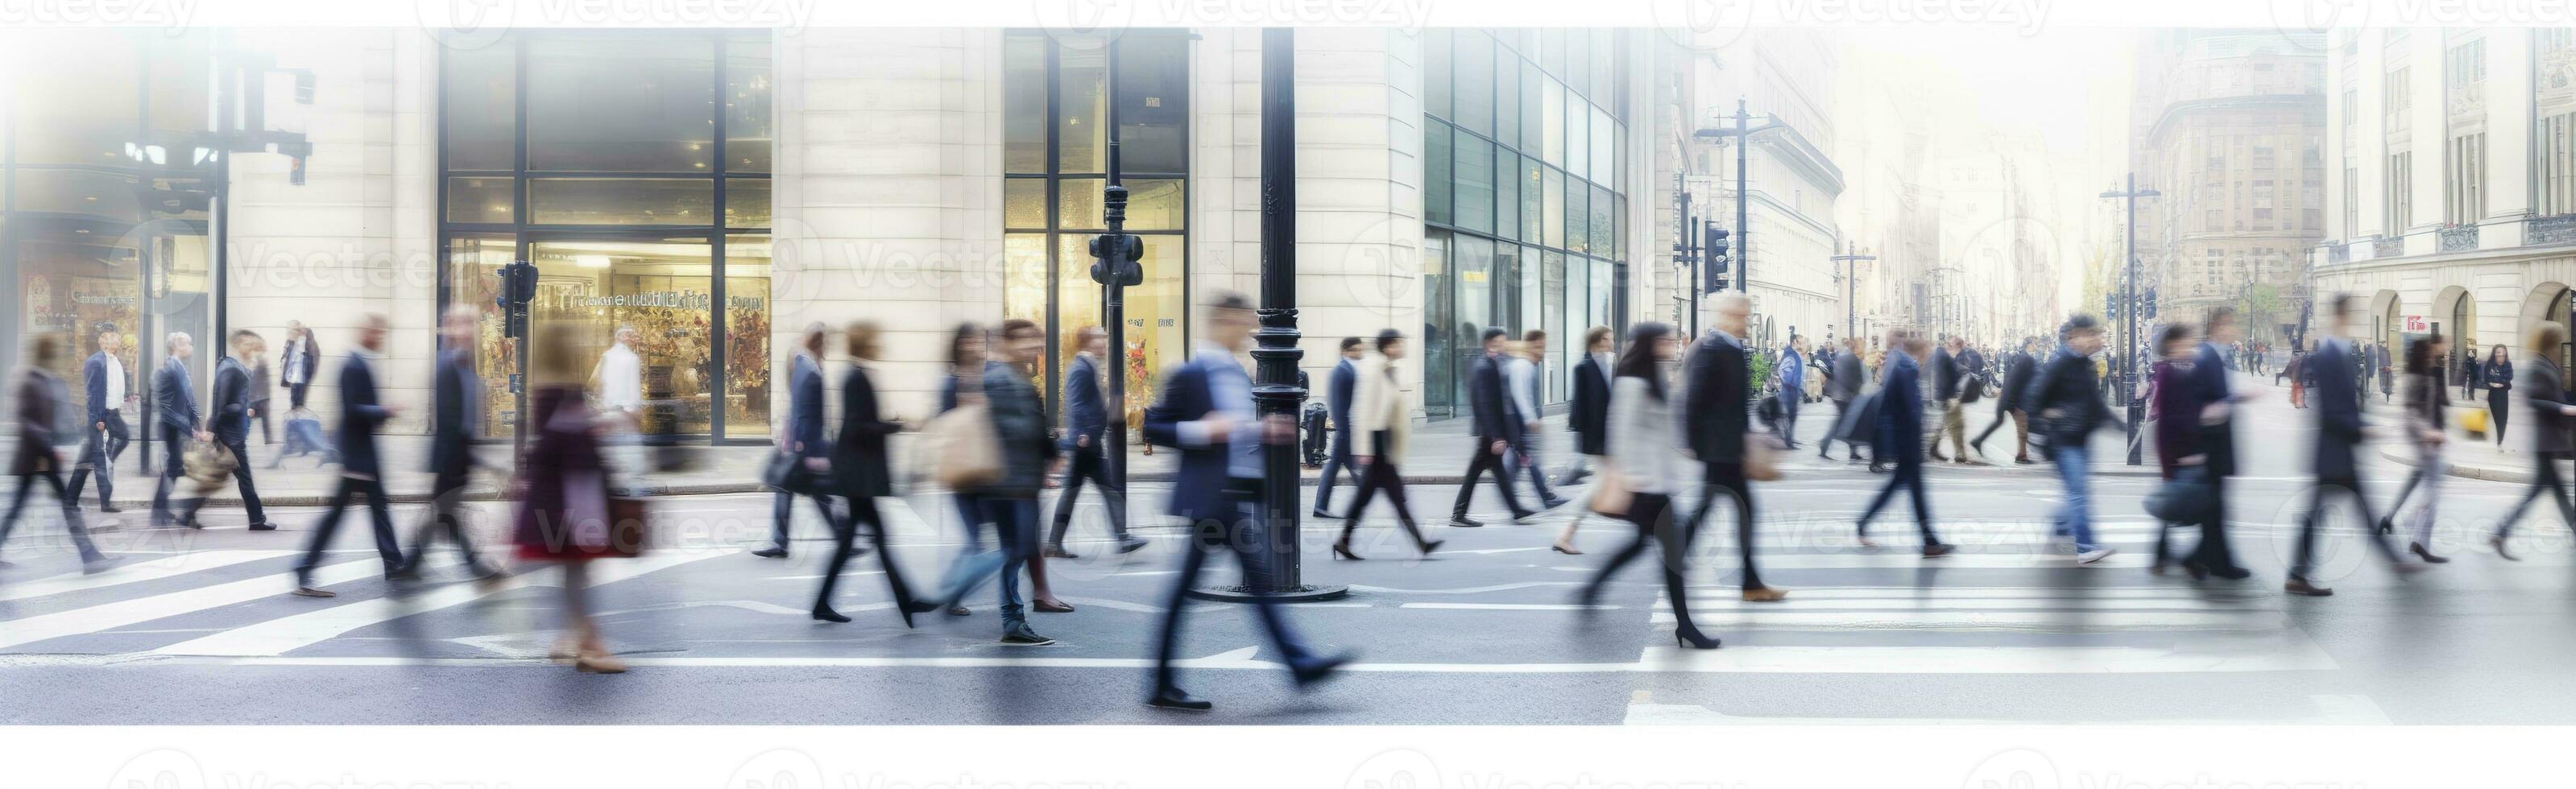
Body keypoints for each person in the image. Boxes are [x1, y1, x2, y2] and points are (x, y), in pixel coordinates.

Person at [1143, 292, 1352, 711]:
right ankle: (1296, 665)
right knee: (1224, 589)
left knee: (1249, 587)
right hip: (1208, 500)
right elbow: (1156, 425)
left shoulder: (1238, 374)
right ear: (1222, 320)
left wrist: (1261, 431)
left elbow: (1235, 433)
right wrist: (1203, 430)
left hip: (1232, 496)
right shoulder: (1192, 372)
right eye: (1241, 320)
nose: (1248, 329)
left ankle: (1296, 665)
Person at [1577, 322, 1722, 649]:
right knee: (1672, 556)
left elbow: (1667, 428)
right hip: (1642, 484)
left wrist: (1685, 450)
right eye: (1664, 342)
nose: (1670, 347)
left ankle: (1593, 586)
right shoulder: (1630, 382)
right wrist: (1630, 478)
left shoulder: (1656, 377)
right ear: (1648, 344)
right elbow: (1620, 434)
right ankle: (1685, 625)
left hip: (1660, 483)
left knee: (1645, 547)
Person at [934, 319, 1065, 644]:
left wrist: (1049, 451)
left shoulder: (1015, 378)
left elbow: (1031, 426)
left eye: (1036, 340)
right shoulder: (999, 379)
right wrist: (1046, 447)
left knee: (1015, 551)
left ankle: (1011, 619)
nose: (1033, 347)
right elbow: (1007, 430)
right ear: (1006, 342)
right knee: (1014, 550)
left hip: (1021, 482)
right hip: (1010, 484)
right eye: (1025, 340)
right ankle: (961, 592)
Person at [511, 320, 630, 673]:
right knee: (577, 569)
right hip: (573, 498)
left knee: (572, 570)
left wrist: (589, 424)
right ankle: (590, 645)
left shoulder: (546, 390)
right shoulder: (564, 391)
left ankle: (568, 637)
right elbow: (560, 444)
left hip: (558, 495)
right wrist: (591, 428)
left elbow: (551, 440)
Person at [2284, 296, 2421, 596]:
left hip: (2337, 452)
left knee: (2346, 512)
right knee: (2343, 512)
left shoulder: (2341, 355)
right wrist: (2362, 430)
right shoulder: (2328, 357)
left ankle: (2298, 574)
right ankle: (2298, 575)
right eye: (2349, 317)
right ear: (2339, 318)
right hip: (2334, 451)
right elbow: (2332, 410)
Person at [814, 321, 940, 626]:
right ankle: (905, 602)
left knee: (858, 542)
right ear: (865, 344)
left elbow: (858, 423)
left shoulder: (855, 375)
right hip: (858, 476)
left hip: (858, 475)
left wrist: (887, 423)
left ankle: (827, 604)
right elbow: (858, 427)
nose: (880, 344)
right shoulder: (855, 378)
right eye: (876, 340)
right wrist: (898, 425)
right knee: (877, 539)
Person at [288, 316, 407, 597]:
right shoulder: (353, 365)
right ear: (364, 332)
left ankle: (394, 563)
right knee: (338, 515)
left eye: (382, 332)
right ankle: (305, 567)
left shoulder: (361, 362)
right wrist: (385, 411)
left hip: (363, 455)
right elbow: (352, 409)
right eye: (376, 331)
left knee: (378, 510)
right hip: (357, 456)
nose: (380, 337)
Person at [1685, 294, 1784, 601]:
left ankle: (1750, 583)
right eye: (1743, 315)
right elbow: (1694, 399)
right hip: (1719, 450)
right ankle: (1750, 584)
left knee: (1721, 511)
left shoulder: (1731, 348)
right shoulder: (1714, 349)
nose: (1747, 321)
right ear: (1727, 316)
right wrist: (1694, 443)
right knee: (1733, 512)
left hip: (1729, 449)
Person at [1, 334, 124, 573]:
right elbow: (26, 422)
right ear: (47, 353)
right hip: (35, 457)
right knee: (62, 506)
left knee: (59, 506)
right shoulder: (29, 380)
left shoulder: (44, 379)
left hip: (42, 457)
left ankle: (90, 556)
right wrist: (49, 449)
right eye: (55, 352)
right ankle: (90, 557)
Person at [395, 308, 499, 581]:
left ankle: (413, 565)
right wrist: (466, 458)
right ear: (449, 327)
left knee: (444, 514)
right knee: (445, 513)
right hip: (452, 456)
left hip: (459, 455)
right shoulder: (447, 364)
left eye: (471, 323)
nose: (469, 329)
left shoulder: (463, 363)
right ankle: (473, 566)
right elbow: (450, 420)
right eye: (461, 323)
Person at [2024, 315, 2123, 565]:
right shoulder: (2060, 364)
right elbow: (2033, 400)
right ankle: (2086, 546)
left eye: (2097, 335)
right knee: (2078, 494)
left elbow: (2094, 402)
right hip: (2064, 441)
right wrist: (2055, 415)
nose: (2097, 339)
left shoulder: (2084, 364)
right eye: (2091, 334)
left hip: (2080, 437)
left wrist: (2115, 422)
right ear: (2074, 337)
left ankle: (2059, 528)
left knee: (2074, 492)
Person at [1334, 330, 1439, 559]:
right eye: (1400, 343)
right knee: (1395, 496)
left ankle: (1344, 541)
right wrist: (1363, 448)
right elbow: (1361, 409)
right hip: (1376, 442)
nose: (1403, 347)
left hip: (1385, 442)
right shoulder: (1373, 369)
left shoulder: (1389, 369)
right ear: (1389, 346)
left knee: (1369, 496)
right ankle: (1420, 542)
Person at [1854, 331, 1953, 556]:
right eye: (1928, 349)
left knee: (1903, 488)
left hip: (1902, 438)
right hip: (1907, 439)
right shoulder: (1907, 366)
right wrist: (1919, 436)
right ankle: (1930, 542)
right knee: (1914, 490)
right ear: (1920, 349)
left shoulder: (1897, 363)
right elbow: (1911, 408)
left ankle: (1927, 540)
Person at [1047, 325, 1142, 557]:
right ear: (1087, 342)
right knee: (1100, 490)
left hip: (1090, 441)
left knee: (1083, 491)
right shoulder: (1080, 368)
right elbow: (1075, 403)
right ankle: (1121, 537)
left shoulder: (1088, 365)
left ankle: (1056, 543)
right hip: (1085, 442)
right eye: (1100, 338)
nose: (1104, 342)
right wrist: (1082, 434)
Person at [2491, 322, 2576, 562]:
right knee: (2553, 493)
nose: (2561, 344)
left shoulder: (2545, 363)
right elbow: (2533, 400)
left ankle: (2500, 533)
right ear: (2549, 341)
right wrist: (2565, 409)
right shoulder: (2538, 365)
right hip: (2544, 440)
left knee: (2552, 492)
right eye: (2558, 340)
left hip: (2549, 440)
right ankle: (2500, 532)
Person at [178, 330, 277, 531]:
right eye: (248, 344)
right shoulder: (230, 369)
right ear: (238, 344)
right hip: (230, 436)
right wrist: (214, 429)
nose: (251, 348)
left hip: (230, 433)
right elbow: (221, 403)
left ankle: (188, 513)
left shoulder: (234, 367)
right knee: (243, 478)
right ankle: (257, 519)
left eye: (253, 344)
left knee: (216, 475)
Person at [2180, 309, 2251, 579]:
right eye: (2231, 324)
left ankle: (2202, 559)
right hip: (2212, 447)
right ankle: (2214, 563)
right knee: (2215, 509)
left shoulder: (2212, 355)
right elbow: (2207, 402)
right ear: (2219, 327)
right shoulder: (2208, 356)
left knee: (2214, 509)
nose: (2234, 330)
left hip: (2213, 446)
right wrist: (2236, 399)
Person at [754, 324, 833, 560]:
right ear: (818, 343)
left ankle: (782, 542)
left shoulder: (806, 367)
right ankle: (781, 541)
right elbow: (802, 413)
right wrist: (800, 446)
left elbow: (803, 411)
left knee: (802, 490)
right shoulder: (809, 370)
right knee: (792, 489)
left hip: (802, 444)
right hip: (803, 445)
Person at [2378, 332, 2454, 564]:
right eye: (2433, 350)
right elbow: (2412, 411)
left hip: (2426, 437)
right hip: (2423, 439)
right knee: (2434, 487)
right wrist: (2429, 433)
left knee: (2418, 481)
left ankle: (2390, 519)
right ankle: (2417, 536)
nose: (2438, 352)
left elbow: (2433, 404)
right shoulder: (2417, 376)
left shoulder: (2426, 372)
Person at [1451, 328, 1537, 527]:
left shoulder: (1496, 363)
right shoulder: (1484, 367)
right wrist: (1496, 436)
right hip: (1489, 434)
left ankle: (1515, 510)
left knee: (1496, 472)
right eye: (1499, 342)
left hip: (1494, 432)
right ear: (1489, 343)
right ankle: (1458, 515)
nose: (1503, 346)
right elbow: (1484, 404)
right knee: (1477, 473)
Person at [2147, 324, 2210, 575]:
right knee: (2189, 505)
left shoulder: (2178, 370)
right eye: (2186, 343)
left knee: (2176, 506)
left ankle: (2164, 558)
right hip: (2178, 451)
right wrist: (2180, 456)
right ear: (2173, 345)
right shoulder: (2169, 373)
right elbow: (2172, 419)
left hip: (2180, 449)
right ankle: (2185, 558)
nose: (2190, 349)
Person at [1557, 326, 1614, 554]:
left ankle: (1566, 534)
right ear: (1598, 341)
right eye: (1608, 339)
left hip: (1605, 439)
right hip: (1596, 440)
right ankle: (1565, 534)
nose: (1612, 342)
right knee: (1598, 485)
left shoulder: (1608, 364)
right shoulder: (1584, 367)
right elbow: (1581, 407)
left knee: (1602, 485)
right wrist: (1591, 443)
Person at [65, 326, 133, 513]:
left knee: (92, 456)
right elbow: (92, 394)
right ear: (102, 341)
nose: (117, 339)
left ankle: (71, 500)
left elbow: (114, 387)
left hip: (113, 414)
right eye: (113, 337)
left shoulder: (115, 360)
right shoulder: (95, 362)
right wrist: (97, 418)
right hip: (101, 415)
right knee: (97, 460)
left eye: (117, 336)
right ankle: (105, 502)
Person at [151, 332, 208, 529]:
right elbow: (165, 407)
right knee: (173, 468)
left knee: (174, 469)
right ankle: (160, 512)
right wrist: (189, 428)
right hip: (171, 427)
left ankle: (160, 510)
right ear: (178, 346)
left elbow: (189, 399)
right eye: (189, 344)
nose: (191, 347)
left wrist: (198, 422)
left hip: (178, 425)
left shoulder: (180, 367)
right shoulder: (170, 369)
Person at [1506, 331, 1566, 509]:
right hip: (1521, 424)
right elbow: (1521, 395)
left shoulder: (1527, 365)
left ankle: (1543, 496)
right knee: (1528, 461)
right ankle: (1544, 497)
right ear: (1531, 346)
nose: (1543, 351)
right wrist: (1530, 419)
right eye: (1540, 346)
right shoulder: (1522, 366)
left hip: (1521, 424)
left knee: (1523, 462)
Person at [1311, 337, 1367, 519]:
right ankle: (1366, 499)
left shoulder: (1350, 369)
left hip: (1347, 429)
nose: (1360, 353)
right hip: (1344, 430)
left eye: (1360, 349)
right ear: (1345, 351)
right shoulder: (1341, 370)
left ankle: (1321, 507)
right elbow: (1337, 404)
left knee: (1343, 467)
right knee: (1346, 468)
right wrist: (1344, 429)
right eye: (1356, 350)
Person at [592, 324, 647, 485]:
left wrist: (603, 404)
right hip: (626, 410)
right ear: (623, 337)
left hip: (610, 408)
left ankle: (609, 480)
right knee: (631, 450)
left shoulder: (607, 355)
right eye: (631, 335)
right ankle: (633, 483)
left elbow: (602, 382)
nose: (634, 338)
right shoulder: (631, 358)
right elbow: (633, 385)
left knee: (611, 448)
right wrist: (635, 408)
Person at [1972, 337, 2038, 464]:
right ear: (2030, 344)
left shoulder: (2021, 357)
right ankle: (2022, 456)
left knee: (1999, 422)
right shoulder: (2027, 359)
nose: (2037, 345)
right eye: (2036, 343)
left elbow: (2012, 377)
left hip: (2007, 396)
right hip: (2013, 399)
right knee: (2022, 428)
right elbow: (2020, 381)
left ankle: (1978, 441)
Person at [1820, 335, 1868, 463]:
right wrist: (1857, 393)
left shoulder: (1844, 356)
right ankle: (1825, 445)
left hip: (1839, 395)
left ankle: (1852, 451)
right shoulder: (1854, 360)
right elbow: (1859, 380)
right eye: (1863, 346)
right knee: (1845, 424)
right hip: (1845, 396)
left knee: (1848, 423)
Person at [1928, 335, 1968, 463]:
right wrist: (1951, 397)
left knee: (1943, 424)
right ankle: (1960, 454)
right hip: (1948, 396)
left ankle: (1932, 449)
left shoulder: (1940, 355)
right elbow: (1944, 379)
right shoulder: (1943, 356)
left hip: (1943, 396)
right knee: (1957, 426)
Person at [279, 320, 319, 411]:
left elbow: (313, 361)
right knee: (293, 405)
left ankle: (299, 421)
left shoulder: (307, 343)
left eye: (290, 331)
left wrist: (308, 377)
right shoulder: (290, 342)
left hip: (302, 380)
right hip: (293, 379)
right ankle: (295, 420)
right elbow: (286, 357)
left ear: (297, 331)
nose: (287, 333)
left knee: (300, 406)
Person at [1774, 337, 1805, 450]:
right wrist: (1792, 383)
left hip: (1793, 389)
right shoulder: (1792, 355)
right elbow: (1783, 370)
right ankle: (1788, 440)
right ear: (1794, 342)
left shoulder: (1794, 354)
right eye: (1801, 342)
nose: (1804, 344)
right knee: (1791, 415)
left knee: (1791, 415)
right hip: (1791, 390)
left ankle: (1789, 438)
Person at [2483, 343, 2513, 446]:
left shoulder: (2508, 364)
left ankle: (2500, 441)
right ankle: (2498, 439)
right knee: (2497, 418)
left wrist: (2501, 382)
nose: (2501, 355)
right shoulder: (2490, 364)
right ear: (2495, 353)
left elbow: (2509, 378)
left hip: (2503, 394)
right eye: (2498, 353)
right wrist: (2491, 383)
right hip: (2493, 393)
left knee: (2503, 418)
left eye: (2503, 353)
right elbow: (2486, 378)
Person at [247, 341, 275, 446]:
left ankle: (268, 441)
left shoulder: (261, 360)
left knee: (262, 420)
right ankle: (268, 440)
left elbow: (256, 379)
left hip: (260, 396)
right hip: (258, 396)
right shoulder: (257, 360)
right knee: (258, 419)